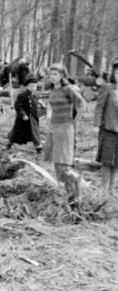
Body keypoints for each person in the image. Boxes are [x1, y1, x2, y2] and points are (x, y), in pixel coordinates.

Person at [43, 64, 87, 205]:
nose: (52, 77)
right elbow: (50, 104)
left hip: (65, 127)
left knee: (63, 164)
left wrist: (74, 121)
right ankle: (69, 197)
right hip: (53, 127)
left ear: (62, 76)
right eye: (51, 74)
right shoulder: (52, 89)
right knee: (57, 163)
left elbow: (82, 104)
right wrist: (49, 114)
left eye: (55, 74)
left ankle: (77, 184)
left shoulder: (68, 89)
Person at [95, 59, 118, 197]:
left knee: (116, 162)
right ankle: (104, 190)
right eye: (117, 73)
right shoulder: (107, 87)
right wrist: (97, 125)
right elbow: (99, 107)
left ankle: (112, 189)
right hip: (108, 129)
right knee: (107, 161)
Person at [7, 75, 41, 151]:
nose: (33, 88)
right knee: (17, 132)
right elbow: (18, 107)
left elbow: (36, 105)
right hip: (23, 119)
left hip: (33, 118)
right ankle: (10, 143)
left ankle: (38, 147)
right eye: (31, 86)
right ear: (27, 87)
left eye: (35, 86)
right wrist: (23, 114)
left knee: (35, 131)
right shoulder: (22, 95)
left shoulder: (36, 95)